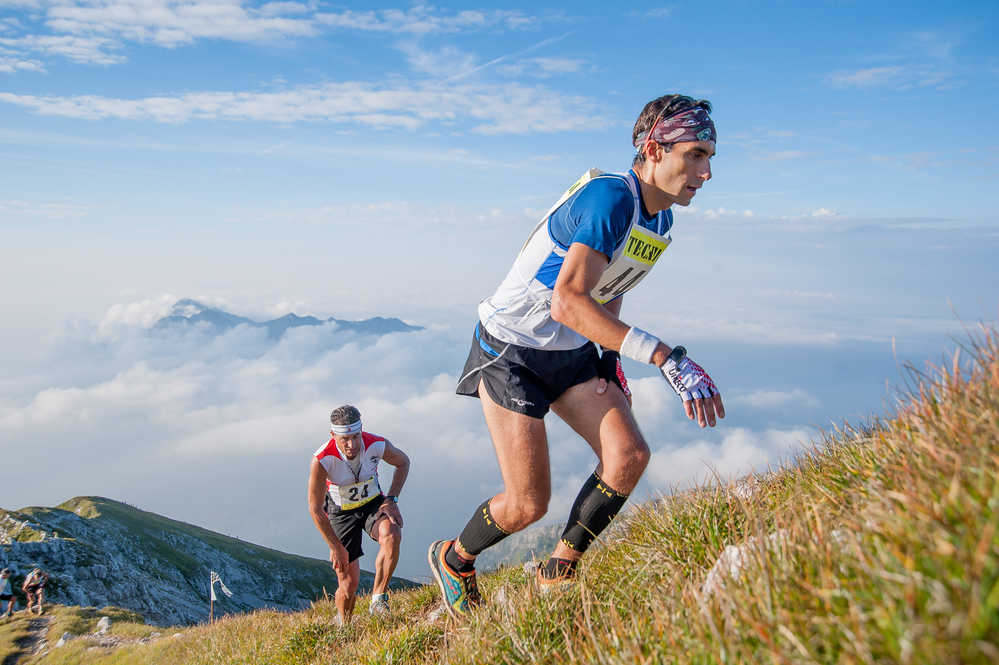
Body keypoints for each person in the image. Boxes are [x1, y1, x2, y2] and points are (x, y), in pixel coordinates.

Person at [429, 94, 726, 617]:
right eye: (695, 154)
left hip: (570, 351)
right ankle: (455, 559)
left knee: (628, 457)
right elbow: (567, 300)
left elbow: (606, 290)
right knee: (526, 505)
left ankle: (558, 571)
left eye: (710, 157)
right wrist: (663, 357)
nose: (705, 172)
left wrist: (610, 359)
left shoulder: (659, 221)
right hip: (511, 352)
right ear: (654, 149)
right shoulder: (611, 199)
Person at [308, 405, 410, 623]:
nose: (352, 445)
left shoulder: (376, 444)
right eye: (344, 439)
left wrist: (391, 499)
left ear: (361, 429)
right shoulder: (322, 459)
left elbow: (403, 462)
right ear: (333, 435)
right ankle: (344, 624)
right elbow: (315, 508)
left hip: (373, 502)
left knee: (392, 533)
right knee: (348, 585)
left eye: (355, 436)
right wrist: (335, 547)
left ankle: (378, 600)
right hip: (340, 512)